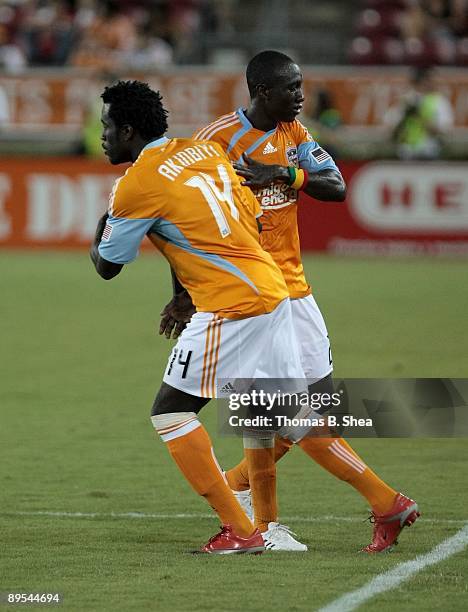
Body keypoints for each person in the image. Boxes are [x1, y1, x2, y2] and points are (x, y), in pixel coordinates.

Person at [162, 50, 420, 553]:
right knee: (274, 414)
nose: (302, 97)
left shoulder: (293, 135)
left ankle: (364, 502)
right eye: (292, 89)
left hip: (295, 298)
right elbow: (184, 226)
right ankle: (273, 523)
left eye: (302, 87)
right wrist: (184, 296)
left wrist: (283, 175)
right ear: (262, 92)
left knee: (305, 417)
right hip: (249, 299)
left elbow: (337, 186)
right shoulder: (213, 143)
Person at [90, 79, 314, 554]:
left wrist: (104, 220)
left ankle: (240, 529)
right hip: (272, 291)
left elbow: (108, 265)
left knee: (171, 412)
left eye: (107, 126)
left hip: (231, 303)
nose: (102, 135)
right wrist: (184, 294)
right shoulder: (202, 151)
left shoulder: (136, 184)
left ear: (128, 130)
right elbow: (245, 218)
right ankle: (378, 503)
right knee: (288, 414)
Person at [386, 66, 454, 160]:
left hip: (430, 152)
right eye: (431, 79)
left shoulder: (439, 101)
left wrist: (420, 117)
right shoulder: (406, 100)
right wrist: (404, 118)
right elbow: (391, 130)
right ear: (423, 81)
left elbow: (443, 130)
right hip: (406, 153)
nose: (435, 82)